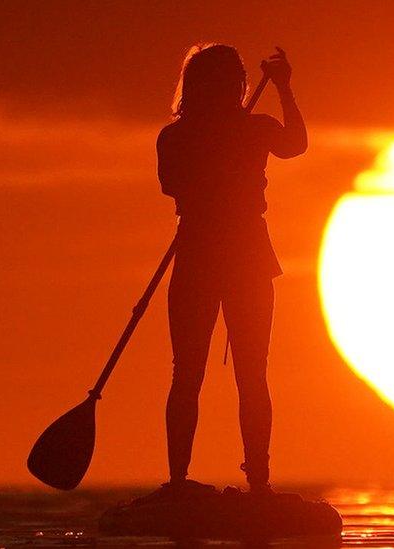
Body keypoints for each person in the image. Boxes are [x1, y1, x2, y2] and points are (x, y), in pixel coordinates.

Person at [154, 43, 307, 496]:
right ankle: (178, 481)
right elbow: (171, 183)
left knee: (252, 372)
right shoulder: (176, 137)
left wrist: (284, 88)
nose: (224, 89)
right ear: (198, 85)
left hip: (248, 257)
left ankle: (258, 481)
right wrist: (218, 153)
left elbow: (295, 145)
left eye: (229, 81)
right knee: (187, 372)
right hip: (199, 254)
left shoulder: (255, 128)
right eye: (214, 81)